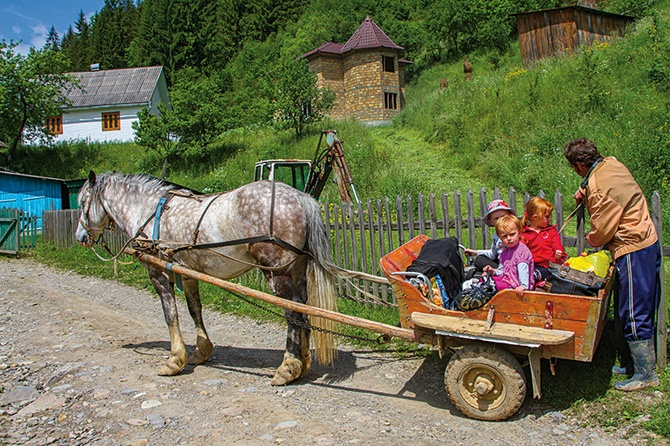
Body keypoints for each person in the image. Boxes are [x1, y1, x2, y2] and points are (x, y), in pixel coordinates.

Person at [564, 137, 661, 391]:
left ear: (577, 165)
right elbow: (604, 185)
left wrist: (591, 238)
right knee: (631, 305)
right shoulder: (611, 164)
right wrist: (583, 189)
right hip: (647, 240)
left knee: (633, 309)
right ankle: (632, 364)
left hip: (632, 248)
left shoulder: (599, 186)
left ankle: (645, 373)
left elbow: (603, 231)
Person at [483, 214, 534, 297]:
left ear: (519, 233)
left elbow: (523, 271)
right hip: (508, 280)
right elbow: (503, 271)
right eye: (505, 236)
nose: (509, 238)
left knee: (492, 286)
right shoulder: (505, 251)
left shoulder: (521, 252)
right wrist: (493, 271)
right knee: (484, 280)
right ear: (500, 238)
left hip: (517, 285)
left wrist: (523, 286)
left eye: (512, 234)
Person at [521, 197, 568, 282]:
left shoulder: (551, 230)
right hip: (533, 263)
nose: (550, 219)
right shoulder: (525, 233)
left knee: (552, 271)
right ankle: (532, 275)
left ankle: (536, 276)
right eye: (547, 217)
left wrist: (558, 251)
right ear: (535, 217)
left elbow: (556, 243)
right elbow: (522, 251)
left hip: (549, 263)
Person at [464, 199, 515, 277]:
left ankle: (500, 272)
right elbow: (493, 254)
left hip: (513, 262)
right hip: (500, 262)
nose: (500, 220)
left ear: (510, 216)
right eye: (496, 218)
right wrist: (476, 252)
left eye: (503, 217)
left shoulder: (515, 232)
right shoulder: (496, 236)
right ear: (491, 221)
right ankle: (496, 271)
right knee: (479, 259)